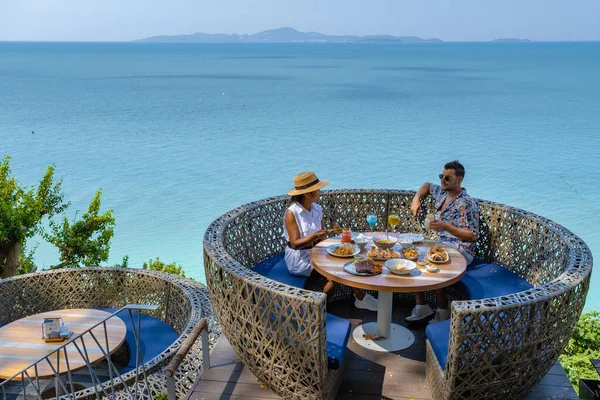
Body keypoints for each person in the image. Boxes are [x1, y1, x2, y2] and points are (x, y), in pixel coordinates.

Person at [284, 171, 378, 311]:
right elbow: (294, 243)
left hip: (316, 252)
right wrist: (315, 236)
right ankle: (317, 310)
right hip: (300, 258)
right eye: (317, 189)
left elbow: (321, 238)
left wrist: (342, 245)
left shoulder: (317, 208)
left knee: (349, 260)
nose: (320, 191)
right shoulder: (292, 213)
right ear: (307, 194)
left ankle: (360, 298)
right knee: (337, 275)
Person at [407, 160, 479, 324]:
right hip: (440, 243)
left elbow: (473, 236)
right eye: (442, 176)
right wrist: (416, 199)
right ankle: (422, 306)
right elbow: (426, 185)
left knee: (433, 261)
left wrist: (447, 227)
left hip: (461, 248)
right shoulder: (441, 192)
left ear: (459, 180)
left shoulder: (466, 203)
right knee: (411, 253)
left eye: (448, 178)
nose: (443, 180)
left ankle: (442, 310)